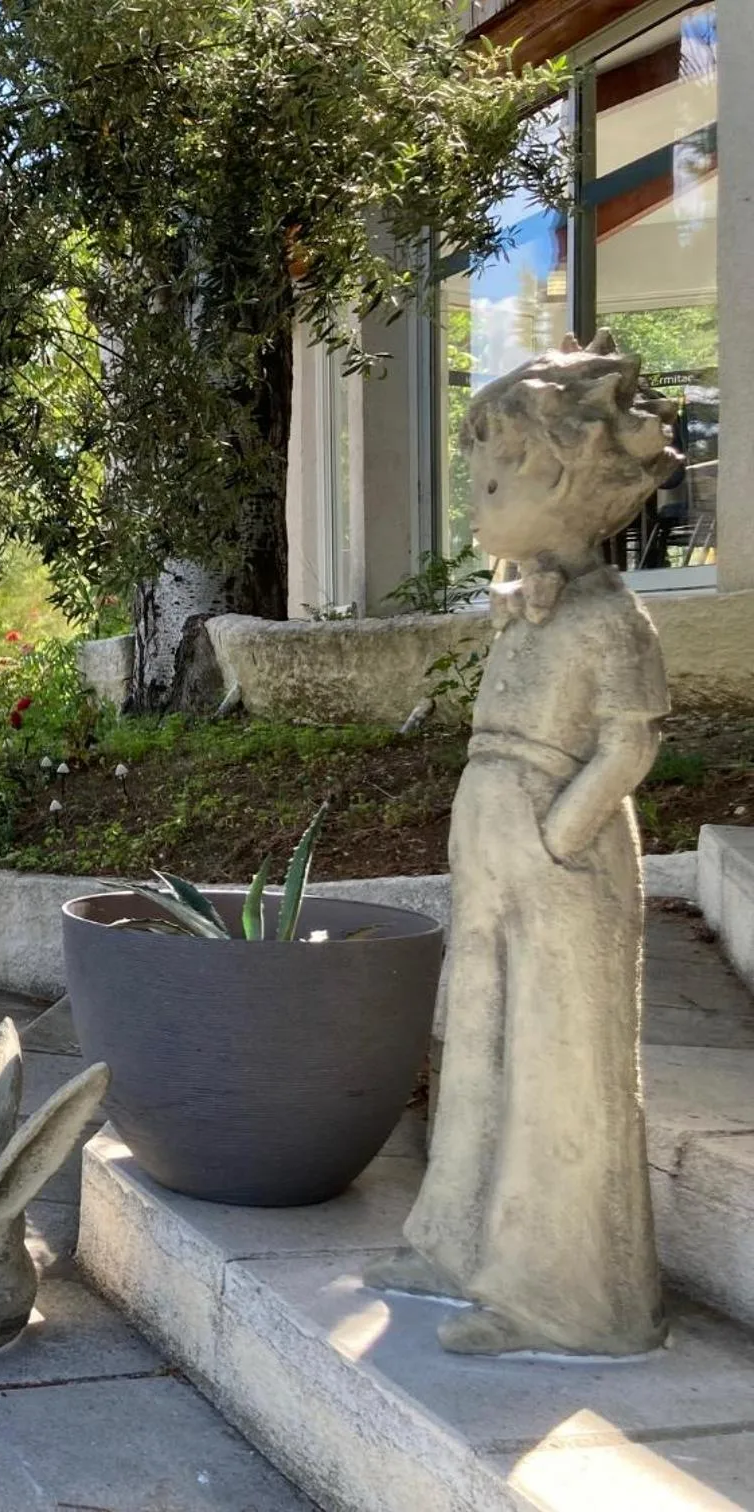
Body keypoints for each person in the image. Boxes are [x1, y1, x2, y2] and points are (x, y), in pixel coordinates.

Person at [364, 330, 681, 1356]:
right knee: (479, 1047)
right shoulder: (525, 610)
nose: (480, 497)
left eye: (499, 477)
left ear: (569, 482)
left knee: (559, 1062)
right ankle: (459, 1244)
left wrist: (556, 833)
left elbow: (632, 741)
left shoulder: (609, 619)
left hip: (561, 856)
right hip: (495, 839)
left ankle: (565, 1296)